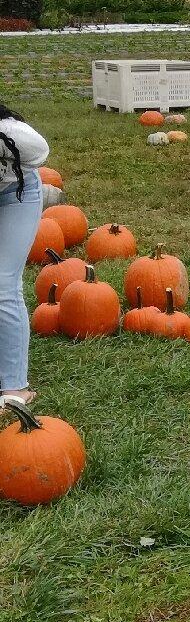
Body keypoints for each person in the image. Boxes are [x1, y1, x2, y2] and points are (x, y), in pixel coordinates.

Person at [0, 103, 48, 408]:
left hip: (17, 194)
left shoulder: (10, 131)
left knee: (3, 284)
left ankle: (15, 387)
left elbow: (40, 151)